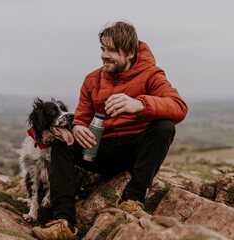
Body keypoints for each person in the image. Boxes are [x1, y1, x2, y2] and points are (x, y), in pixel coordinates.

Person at [32, 20, 188, 240]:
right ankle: (64, 223)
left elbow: (179, 107)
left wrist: (140, 104)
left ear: (131, 52)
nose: (105, 55)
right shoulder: (92, 80)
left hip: (136, 151)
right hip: (100, 151)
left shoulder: (152, 74)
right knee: (62, 142)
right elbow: (82, 117)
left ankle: (132, 200)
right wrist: (77, 128)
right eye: (103, 49)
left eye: (112, 50)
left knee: (164, 126)